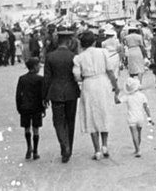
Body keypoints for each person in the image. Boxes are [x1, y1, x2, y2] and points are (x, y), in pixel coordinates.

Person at [73, 31, 121, 161]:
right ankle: (105, 145)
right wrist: (115, 86)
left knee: (91, 115)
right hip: (103, 83)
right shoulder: (103, 52)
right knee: (104, 112)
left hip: (88, 85)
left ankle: (97, 150)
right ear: (94, 42)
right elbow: (110, 71)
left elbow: (77, 76)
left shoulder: (79, 57)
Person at [43, 30, 80, 163]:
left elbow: (47, 78)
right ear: (69, 42)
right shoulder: (73, 56)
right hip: (71, 93)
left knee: (58, 121)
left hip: (56, 93)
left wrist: (44, 96)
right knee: (70, 121)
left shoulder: (50, 56)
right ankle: (69, 147)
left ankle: (64, 146)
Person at [16, 57, 46, 160]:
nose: (40, 67)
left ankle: (29, 147)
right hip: (36, 107)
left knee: (27, 128)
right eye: (38, 65)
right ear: (34, 67)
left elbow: (18, 95)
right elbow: (42, 95)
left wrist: (19, 107)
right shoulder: (40, 79)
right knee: (36, 129)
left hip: (25, 107)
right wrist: (43, 108)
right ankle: (36, 151)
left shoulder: (22, 79)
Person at [123, 77, 154, 157]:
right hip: (140, 117)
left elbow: (117, 101)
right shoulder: (142, 96)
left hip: (132, 117)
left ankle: (137, 149)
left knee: (134, 134)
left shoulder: (127, 96)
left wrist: (115, 94)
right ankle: (138, 148)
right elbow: (146, 107)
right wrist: (149, 118)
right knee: (139, 133)